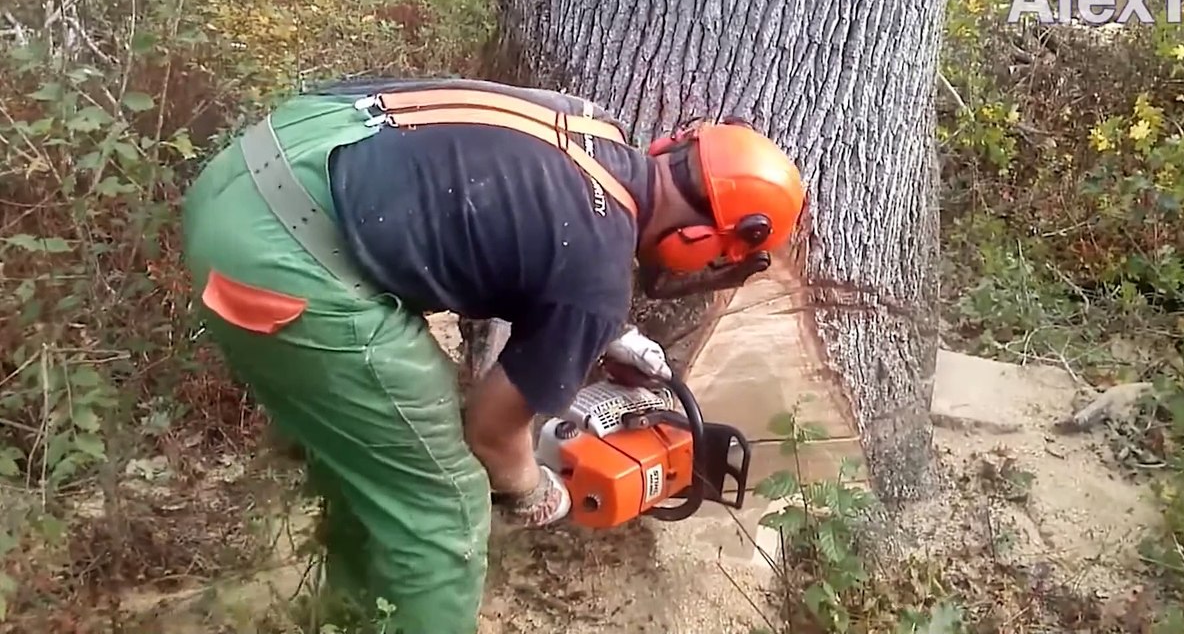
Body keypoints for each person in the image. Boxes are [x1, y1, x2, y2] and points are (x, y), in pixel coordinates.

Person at [180, 77, 806, 634]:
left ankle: (351, 611)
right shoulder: (594, 279)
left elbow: (507, 226)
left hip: (265, 162)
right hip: (283, 254)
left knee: (389, 458)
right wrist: (534, 490)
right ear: (703, 238)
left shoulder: (593, 125)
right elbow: (490, 430)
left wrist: (598, 328)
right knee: (444, 503)